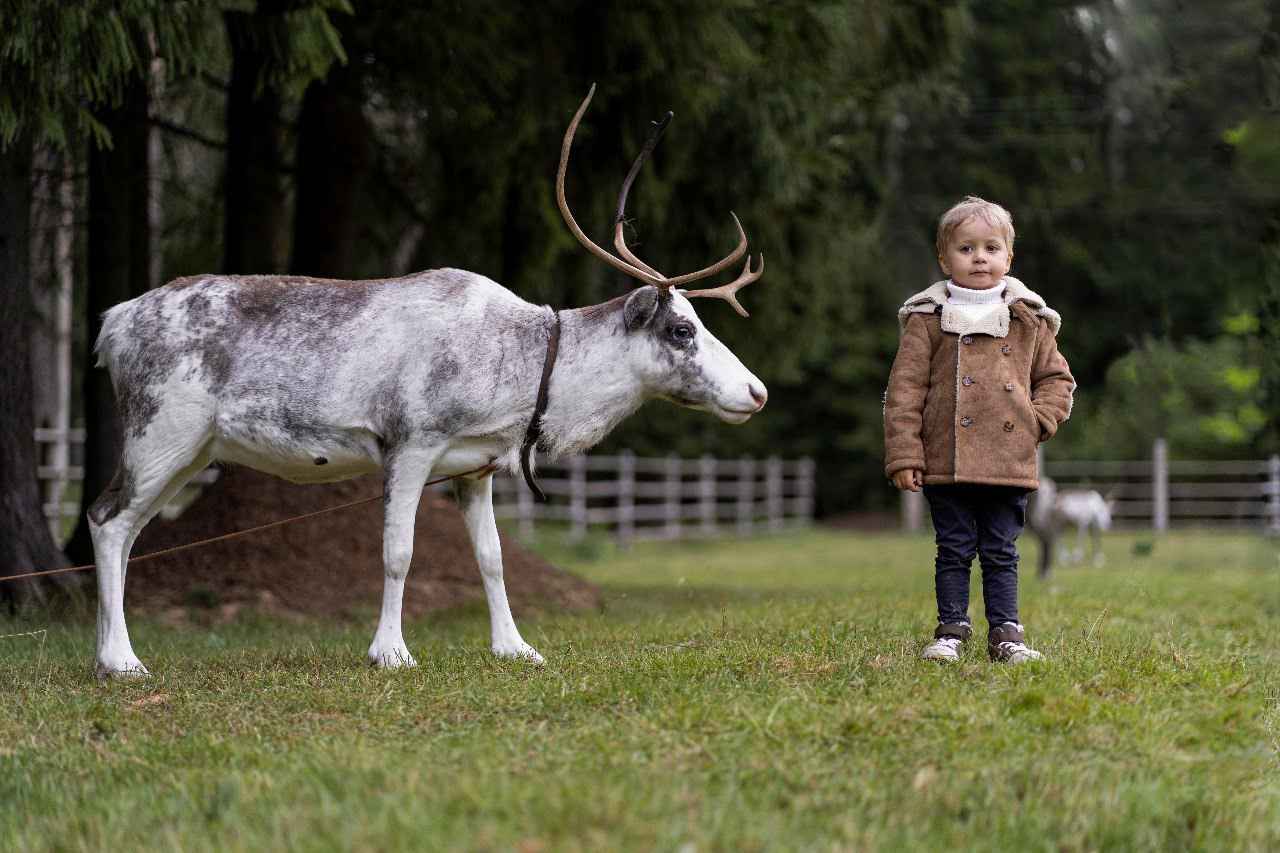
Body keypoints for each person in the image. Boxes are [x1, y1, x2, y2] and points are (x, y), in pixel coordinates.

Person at [883, 196, 1075, 664]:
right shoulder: (926, 319)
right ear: (944, 258)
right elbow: (903, 392)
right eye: (966, 248)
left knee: (1001, 551)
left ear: (1008, 258)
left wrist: (1037, 421)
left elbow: (1057, 380)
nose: (979, 258)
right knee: (952, 548)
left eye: (991, 248)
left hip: (1008, 460)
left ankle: (1007, 635)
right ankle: (951, 630)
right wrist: (906, 455)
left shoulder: (1029, 319)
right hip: (946, 459)